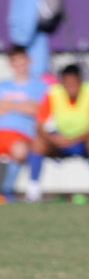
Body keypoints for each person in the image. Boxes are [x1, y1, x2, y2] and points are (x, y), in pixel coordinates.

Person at [26, 64, 89, 203]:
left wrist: (73, 140)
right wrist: (54, 139)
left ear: (80, 81)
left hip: (84, 140)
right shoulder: (53, 92)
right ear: (62, 83)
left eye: (74, 84)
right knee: (37, 143)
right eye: (67, 84)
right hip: (60, 139)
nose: (71, 87)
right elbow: (39, 126)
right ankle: (33, 191)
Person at [0, 45, 47, 202]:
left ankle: (6, 191)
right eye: (15, 61)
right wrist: (23, 105)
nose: (19, 65)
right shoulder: (3, 85)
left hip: (21, 134)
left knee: (19, 150)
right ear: (10, 64)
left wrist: (9, 105)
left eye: (22, 60)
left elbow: (38, 110)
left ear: (29, 61)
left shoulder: (40, 86)